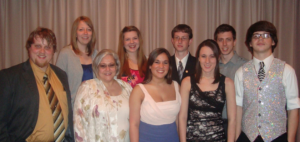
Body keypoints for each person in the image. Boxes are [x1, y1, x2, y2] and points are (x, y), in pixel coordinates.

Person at [0, 27, 74, 141]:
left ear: (53, 51)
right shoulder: (10, 77)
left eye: (47, 47)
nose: (42, 51)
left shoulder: (61, 75)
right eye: (37, 46)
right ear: (29, 48)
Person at [235, 21, 300, 142]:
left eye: (265, 35)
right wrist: (236, 137)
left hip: (278, 137)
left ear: (273, 41)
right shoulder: (241, 72)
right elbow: (239, 107)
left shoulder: (287, 70)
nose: (260, 38)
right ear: (249, 43)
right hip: (247, 137)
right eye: (256, 35)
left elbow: (293, 108)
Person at [179, 39, 236, 142]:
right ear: (198, 58)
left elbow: (232, 120)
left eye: (212, 56)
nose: (207, 61)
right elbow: (182, 117)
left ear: (218, 57)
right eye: (203, 56)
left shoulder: (228, 83)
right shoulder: (187, 82)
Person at [73, 49, 132, 142]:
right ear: (96, 67)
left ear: (117, 66)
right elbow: (79, 124)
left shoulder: (127, 88)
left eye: (111, 65)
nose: (107, 69)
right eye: (103, 66)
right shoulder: (87, 88)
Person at [129, 48, 181, 142]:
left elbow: (178, 120)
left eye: (165, 63)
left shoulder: (176, 86)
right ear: (150, 65)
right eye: (157, 62)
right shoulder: (139, 90)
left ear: (169, 66)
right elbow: (134, 124)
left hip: (173, 138)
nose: (161, 66)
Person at [214, 24, 247, 136]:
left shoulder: (245, 67)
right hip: (215, 125)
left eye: (228, 40)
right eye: (220, 40)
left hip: (239, 124)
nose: (224, 44)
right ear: (216, 42)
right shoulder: (211, 67)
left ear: (234, 42)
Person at [56, 16, 98, 106]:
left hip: (94, 107)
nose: (85, 33)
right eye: (81, 29)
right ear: (75, 33)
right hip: (72, 107)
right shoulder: (65, 54)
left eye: (89, 29)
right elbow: (57, 83)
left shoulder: (97, 55)